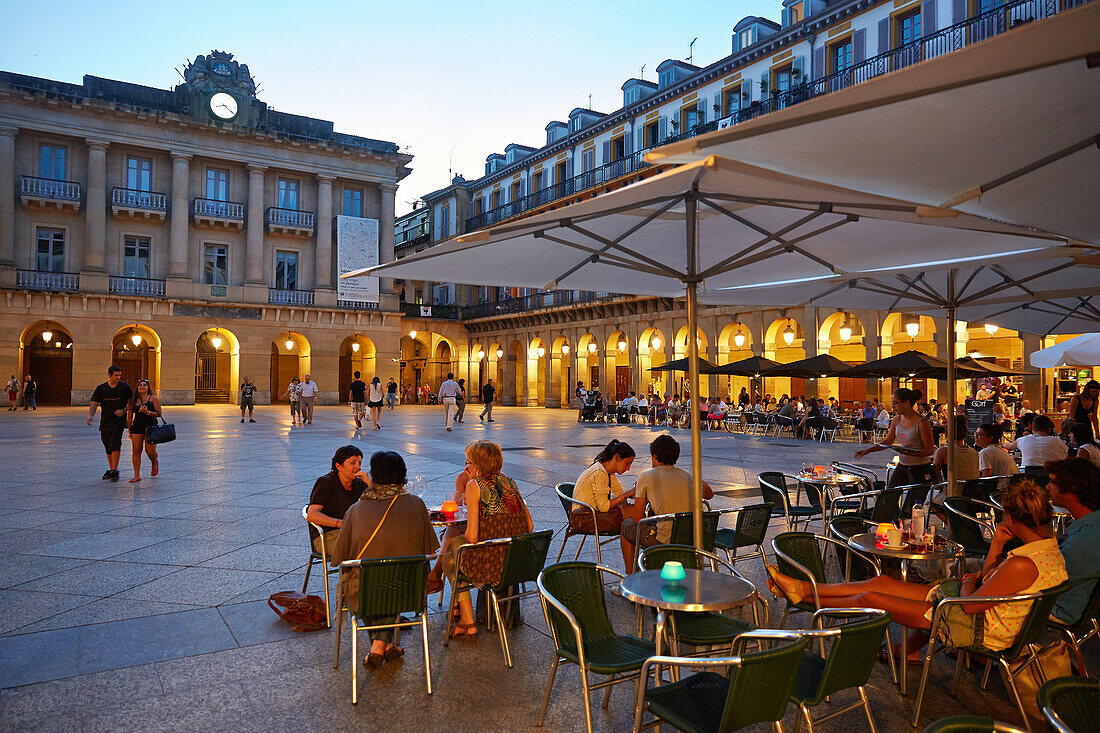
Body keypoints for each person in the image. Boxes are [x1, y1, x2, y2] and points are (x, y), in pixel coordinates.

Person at [767, 478, 1067, 659]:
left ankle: (803, 594)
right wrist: (994, 550)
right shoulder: (1048, 550)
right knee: (881, 582)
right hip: (967, 608)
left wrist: (968, 580)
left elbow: (972, 604)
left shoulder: (1022, 564)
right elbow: (989, 580)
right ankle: (803, 589)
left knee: (869, 599)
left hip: (972, 625)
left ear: (1012, 519)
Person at [329, 450, 438, 667]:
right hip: (409, 589)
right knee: (394, 576)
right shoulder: (417, 505)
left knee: (368, 579)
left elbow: (339, 558)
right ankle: (385, 645)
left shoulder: (356, 510)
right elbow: (430, 549)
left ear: (374, 475)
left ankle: (377, 645)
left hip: (366, 591)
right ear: (403, 475)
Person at [441, 441, 533, 639]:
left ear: (478, 465)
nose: (467, 466)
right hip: (517, 561)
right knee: (454, 549)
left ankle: (467, 620)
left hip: (492, 564)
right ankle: (464, 616)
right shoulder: (510, 482)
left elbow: (472, 536)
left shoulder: (476, 486)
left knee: (451, 554)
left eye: (470, 462)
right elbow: (530, 526)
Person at [621, 434, 714, 573]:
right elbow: (710, 494)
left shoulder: (645, 477)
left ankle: (630, 577)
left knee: (626, 526)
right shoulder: (686, 476)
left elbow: (637, 519)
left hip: (666, 541)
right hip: (696, 538)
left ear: (654, 455)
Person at [1045, 458, 1100, 625]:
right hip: (1082, 607)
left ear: (1072, 488)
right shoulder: (1092, 524)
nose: (1047, 487)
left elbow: (1039, 579)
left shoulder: (1084, 540)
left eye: (1052, 482)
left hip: (1054, 609)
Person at [571, 440, 637, 565]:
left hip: (588, 514)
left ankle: (632, 565)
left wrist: (630, 496)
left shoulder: (605, 470)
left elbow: (619, 491)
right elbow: (604, 506)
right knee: (633, 521)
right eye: (627, 463)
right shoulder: (600, 473)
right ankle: (632, 566)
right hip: (585, 518)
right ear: (617, 457)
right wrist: (628, 494)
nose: (628, 468)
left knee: (632, 515)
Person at [855, 388, 935, 486]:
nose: (893, 406)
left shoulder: (922, 423)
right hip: (903, 465)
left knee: (914, 500)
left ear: (906, 403)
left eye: (895, 403)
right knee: (888, 497)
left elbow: (930, 450)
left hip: (920, 468)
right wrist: (867, 450)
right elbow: (888, 440)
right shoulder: (897, 419)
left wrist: (910, 453)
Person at [307, 445, 369, 554]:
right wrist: (341, 523)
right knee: (360, 549)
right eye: (352, 463)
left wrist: (370, 484)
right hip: (328, 535)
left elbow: (378, 506)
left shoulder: (359, 484)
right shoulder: (326, 482)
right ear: (339, 466)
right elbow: (312, 514)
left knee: (380, 545)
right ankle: (351, 570)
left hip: (354, 532)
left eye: (360, 463)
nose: (358, 467)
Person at [87, 365, 133, 482]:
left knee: (115, 443)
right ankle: (112, 469)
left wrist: (123, 411)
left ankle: (114, 470)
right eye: (116, 375)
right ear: (109, 375)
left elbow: (132, 402)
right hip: (105, 421)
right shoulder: (101, 388)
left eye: (119, 375)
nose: (118, 377)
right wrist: (90, 416)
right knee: (107, 445)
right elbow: (94, 403)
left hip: (118, 421)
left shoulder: (125, 388)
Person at [126, 378, 162, 483]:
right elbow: (129, 417)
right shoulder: (132, 401)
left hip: (151, 427)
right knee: (136, 450)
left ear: (148, 388)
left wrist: (148, 412)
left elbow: (159, 414)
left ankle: (154, 461)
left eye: (144, 385)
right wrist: (130, 429)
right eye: (140, 385)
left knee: (150, 451)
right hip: (137, 427)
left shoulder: (153, 399)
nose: (142, 387)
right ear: (137, 388)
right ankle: (136, 475)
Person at [1004, 415, 1068, 471]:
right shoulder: (1059, 442)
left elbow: (1009, 447)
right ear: (1049, 430)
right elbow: (1065, 459)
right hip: (1052, 478)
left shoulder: (1022, 440)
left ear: (1033, 428)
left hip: (1028, 479)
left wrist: (1002, 445)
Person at [932, 415, 980, 488]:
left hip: (952, 495)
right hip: (972, 495)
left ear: (947, 432)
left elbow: (934, 477)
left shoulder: (944, 451)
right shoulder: (973, 452)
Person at [975, 422, 1021, 488]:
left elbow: (986, 478)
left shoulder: (985, 452)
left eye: (979, 434)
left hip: (999, 491)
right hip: (1011, 489)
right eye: (975, 434)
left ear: (990, 438)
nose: (976, 437)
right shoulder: (1000, 450)